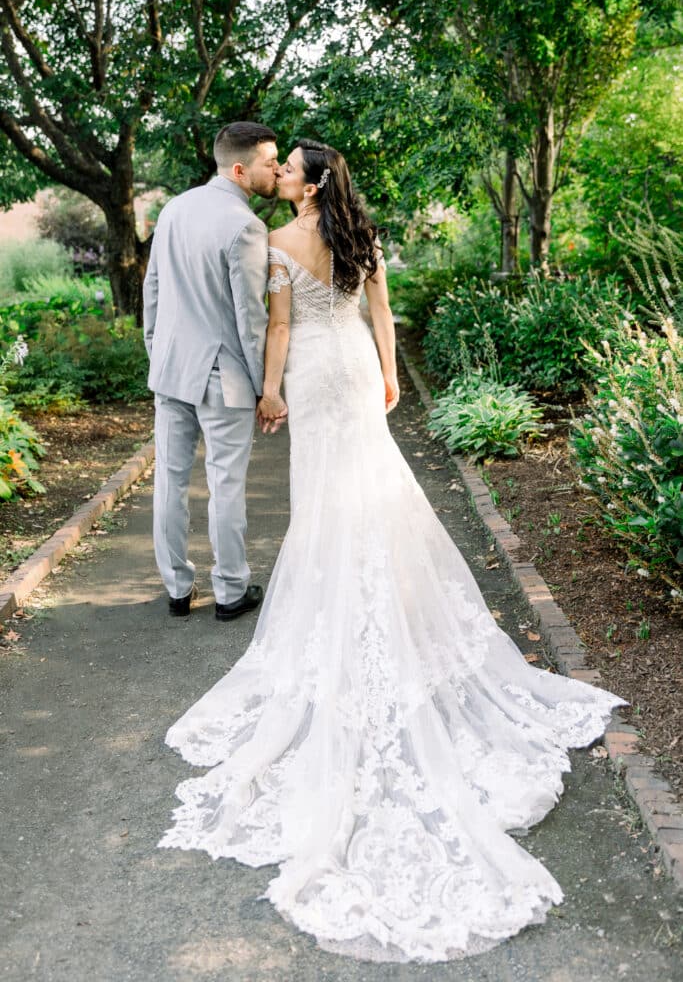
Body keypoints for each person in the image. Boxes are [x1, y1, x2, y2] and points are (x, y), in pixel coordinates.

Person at [158, 140, 625, 963]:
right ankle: (388, 607)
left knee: (325, 503)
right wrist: (392, 377)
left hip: (308, 370)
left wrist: (270, 392)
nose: (281, 177)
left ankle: (341, 614)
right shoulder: (363, 237)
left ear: (305, 183)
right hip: (353, 367)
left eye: (289, 169)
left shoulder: (277, 245)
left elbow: (276, 325)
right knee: (372, 493)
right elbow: (381, 315)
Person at [143, 121, 280, 621]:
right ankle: (229, 592)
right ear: (241, 169)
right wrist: (267, 388)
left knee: (171, 482)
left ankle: (177, 590)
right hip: (222, 377)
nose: (278, 169)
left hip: (170, 370)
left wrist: (156, 352)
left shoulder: (174, 209)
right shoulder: (246, 226)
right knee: (225, 484)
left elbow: (151, 291)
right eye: (270, 161)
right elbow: (251, 318)